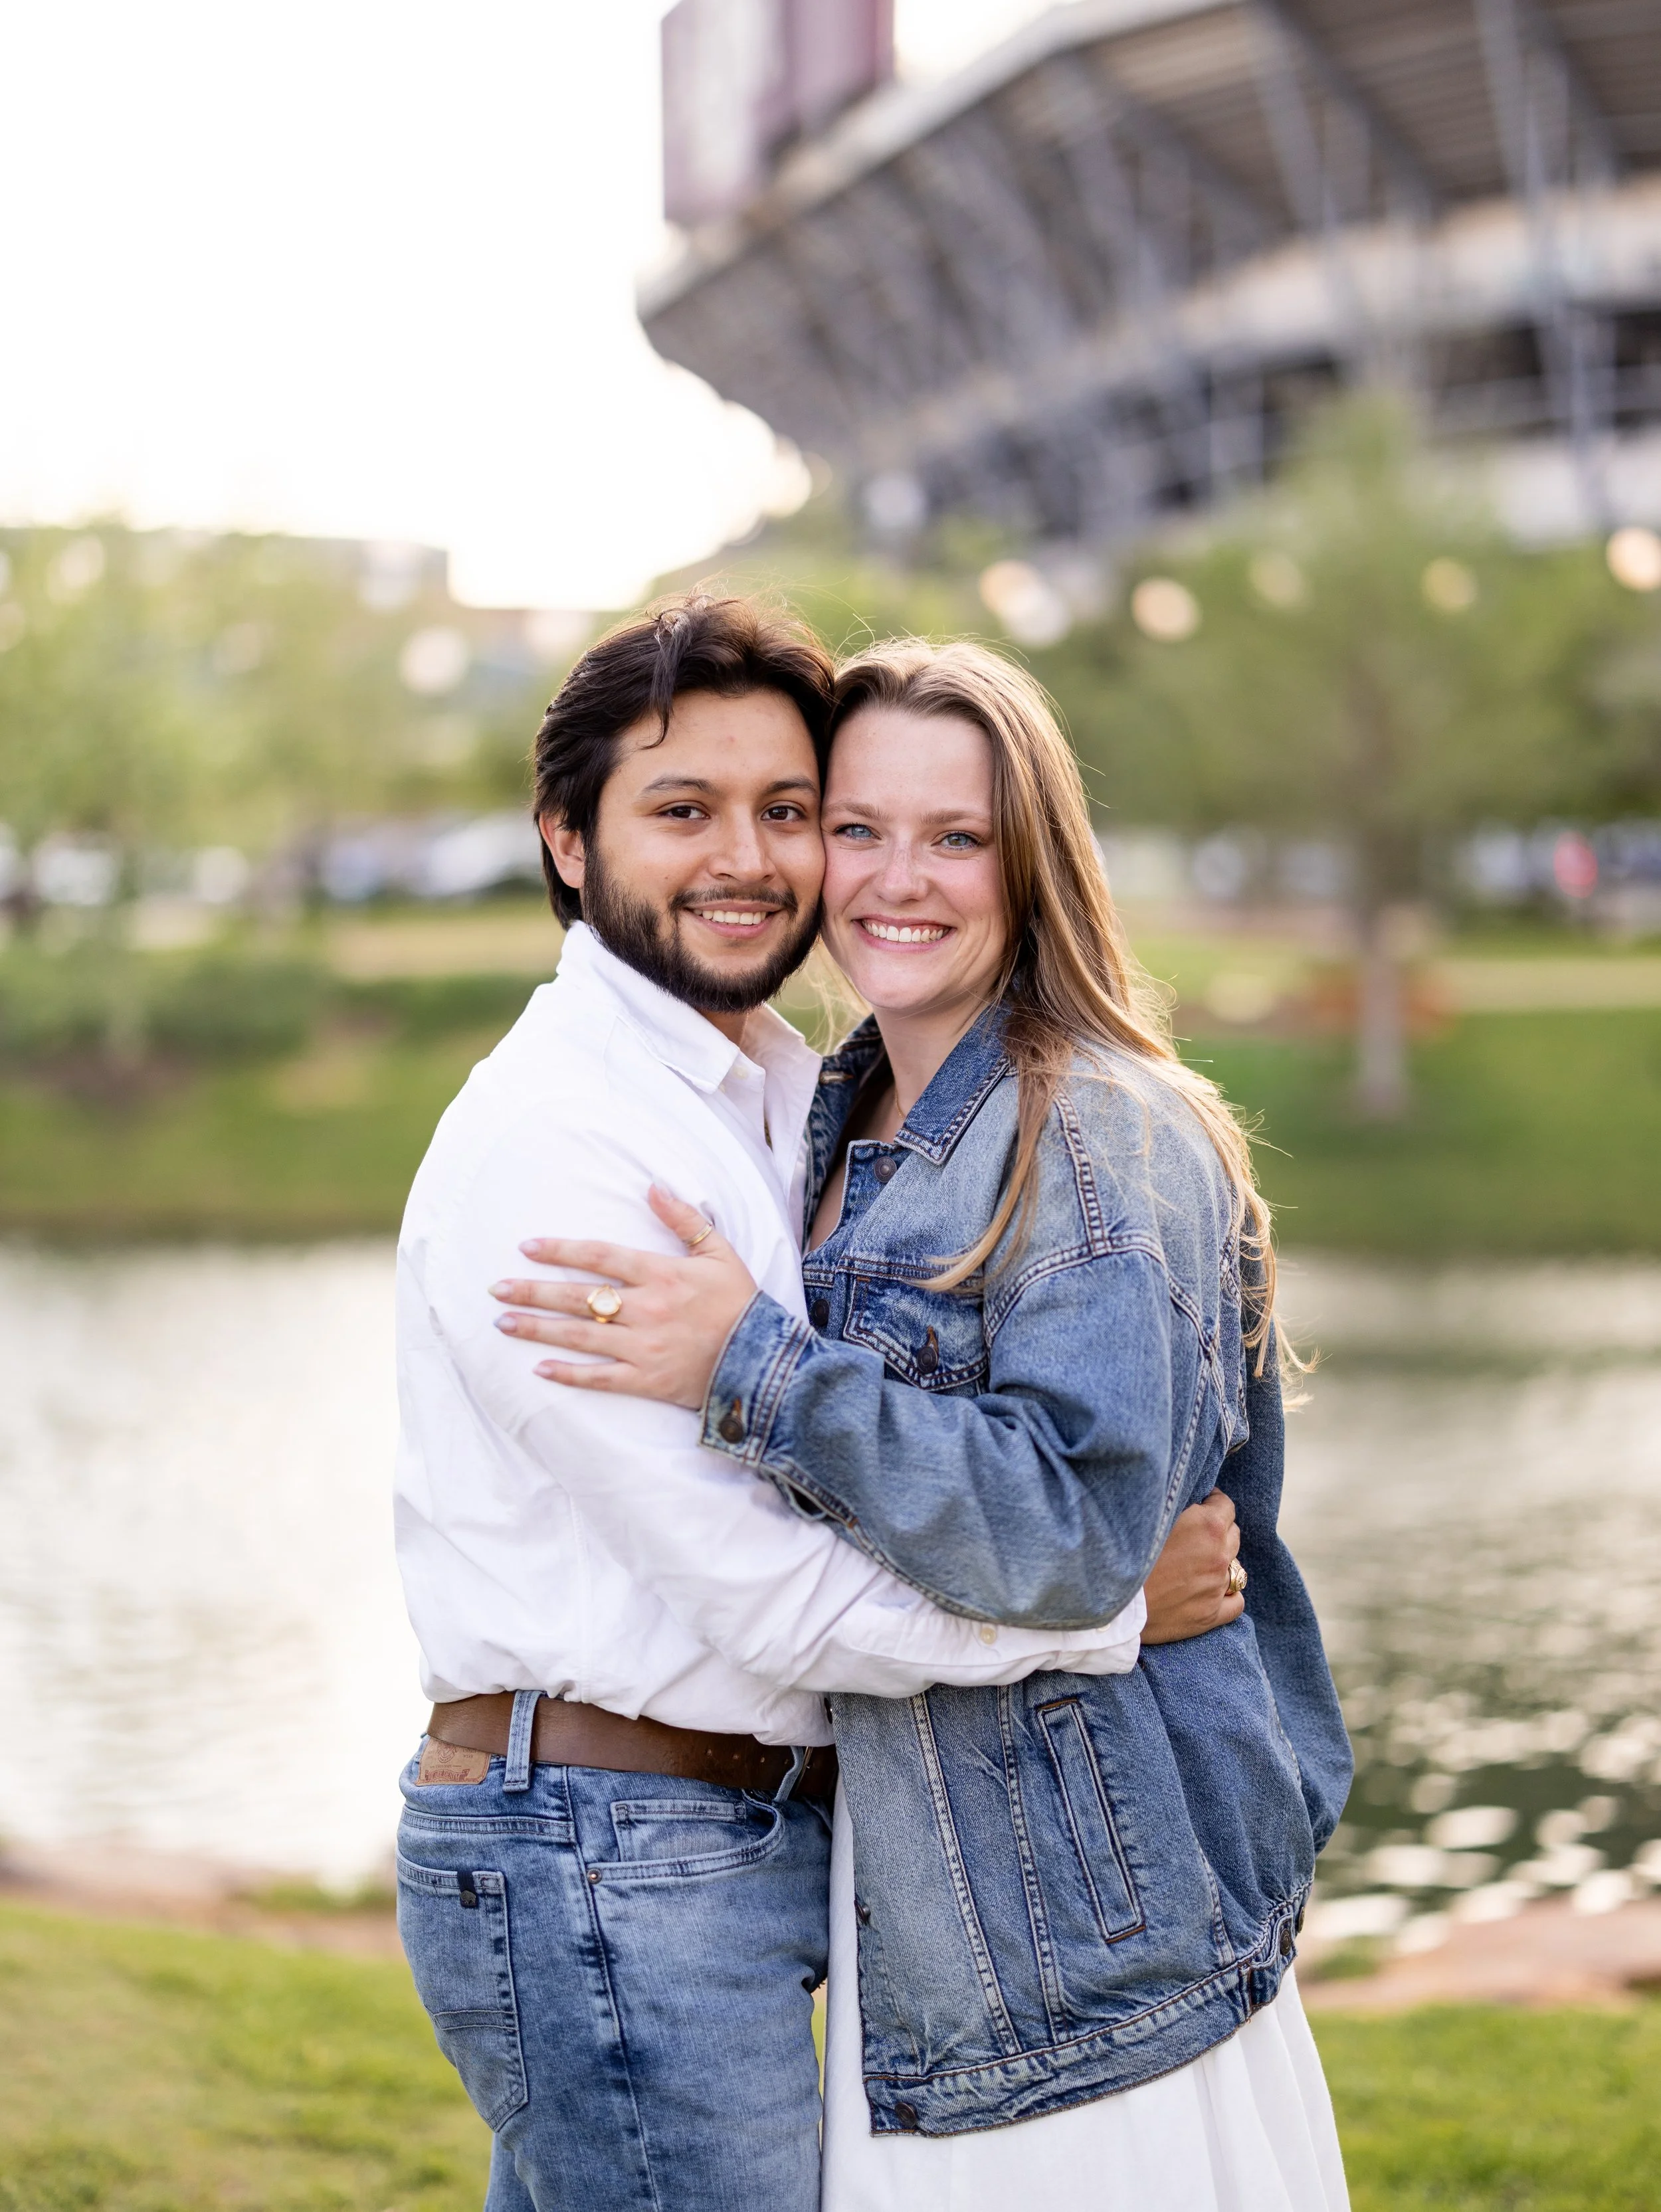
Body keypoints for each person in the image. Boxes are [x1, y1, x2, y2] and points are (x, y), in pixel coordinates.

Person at [393, 597, 1243, 2212]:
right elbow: (769, 1589)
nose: (752, 858)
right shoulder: (559, 1150)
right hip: (606, 1846)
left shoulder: (797, 1091)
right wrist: (1100, 1617)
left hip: (734, 1846)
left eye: (789, 812)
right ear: (567, 844)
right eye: (682, 810)